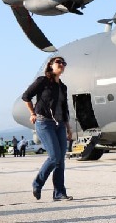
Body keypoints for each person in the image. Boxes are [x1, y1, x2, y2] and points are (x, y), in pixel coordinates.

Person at [22, 56, 74, 201]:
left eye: (64, 63)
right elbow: (26, 96)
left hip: (59, 125)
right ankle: (37, 183)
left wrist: (68, 128)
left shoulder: (63, 87)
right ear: (50, 65)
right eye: (59, 62)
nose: (62, 65)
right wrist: (32, 113)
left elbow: (64, 109)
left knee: (60, 160)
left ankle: (59, 193)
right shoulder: (42, 81)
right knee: (54, 156)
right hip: (44, 123)